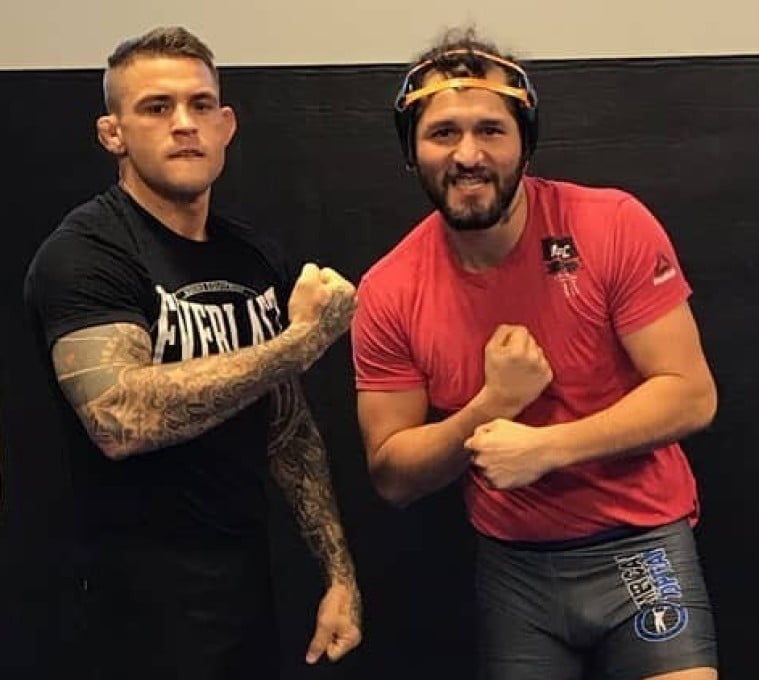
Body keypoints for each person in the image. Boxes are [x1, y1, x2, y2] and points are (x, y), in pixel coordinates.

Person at [352, 27, 719, 680]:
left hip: (641, 542)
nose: (468, 154)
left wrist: (549, 447)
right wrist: (490, 408)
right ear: (412, 150)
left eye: (491, 130)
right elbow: (391, 474)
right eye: (443, 134)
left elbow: (690, 392)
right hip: (516, 568)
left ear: (525, 144)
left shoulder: (609, 225)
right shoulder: (389, 289)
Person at [23, 26, 361, 680]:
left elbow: (286, 429)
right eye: (157, 108)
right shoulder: (84, 255)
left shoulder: (254, 257)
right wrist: (298, 343)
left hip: (242, 596)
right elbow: (119, 418)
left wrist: (339, 575)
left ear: (226, 124)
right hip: (125, 613)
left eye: (201, 105)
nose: (185, 124)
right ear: (112, 133)